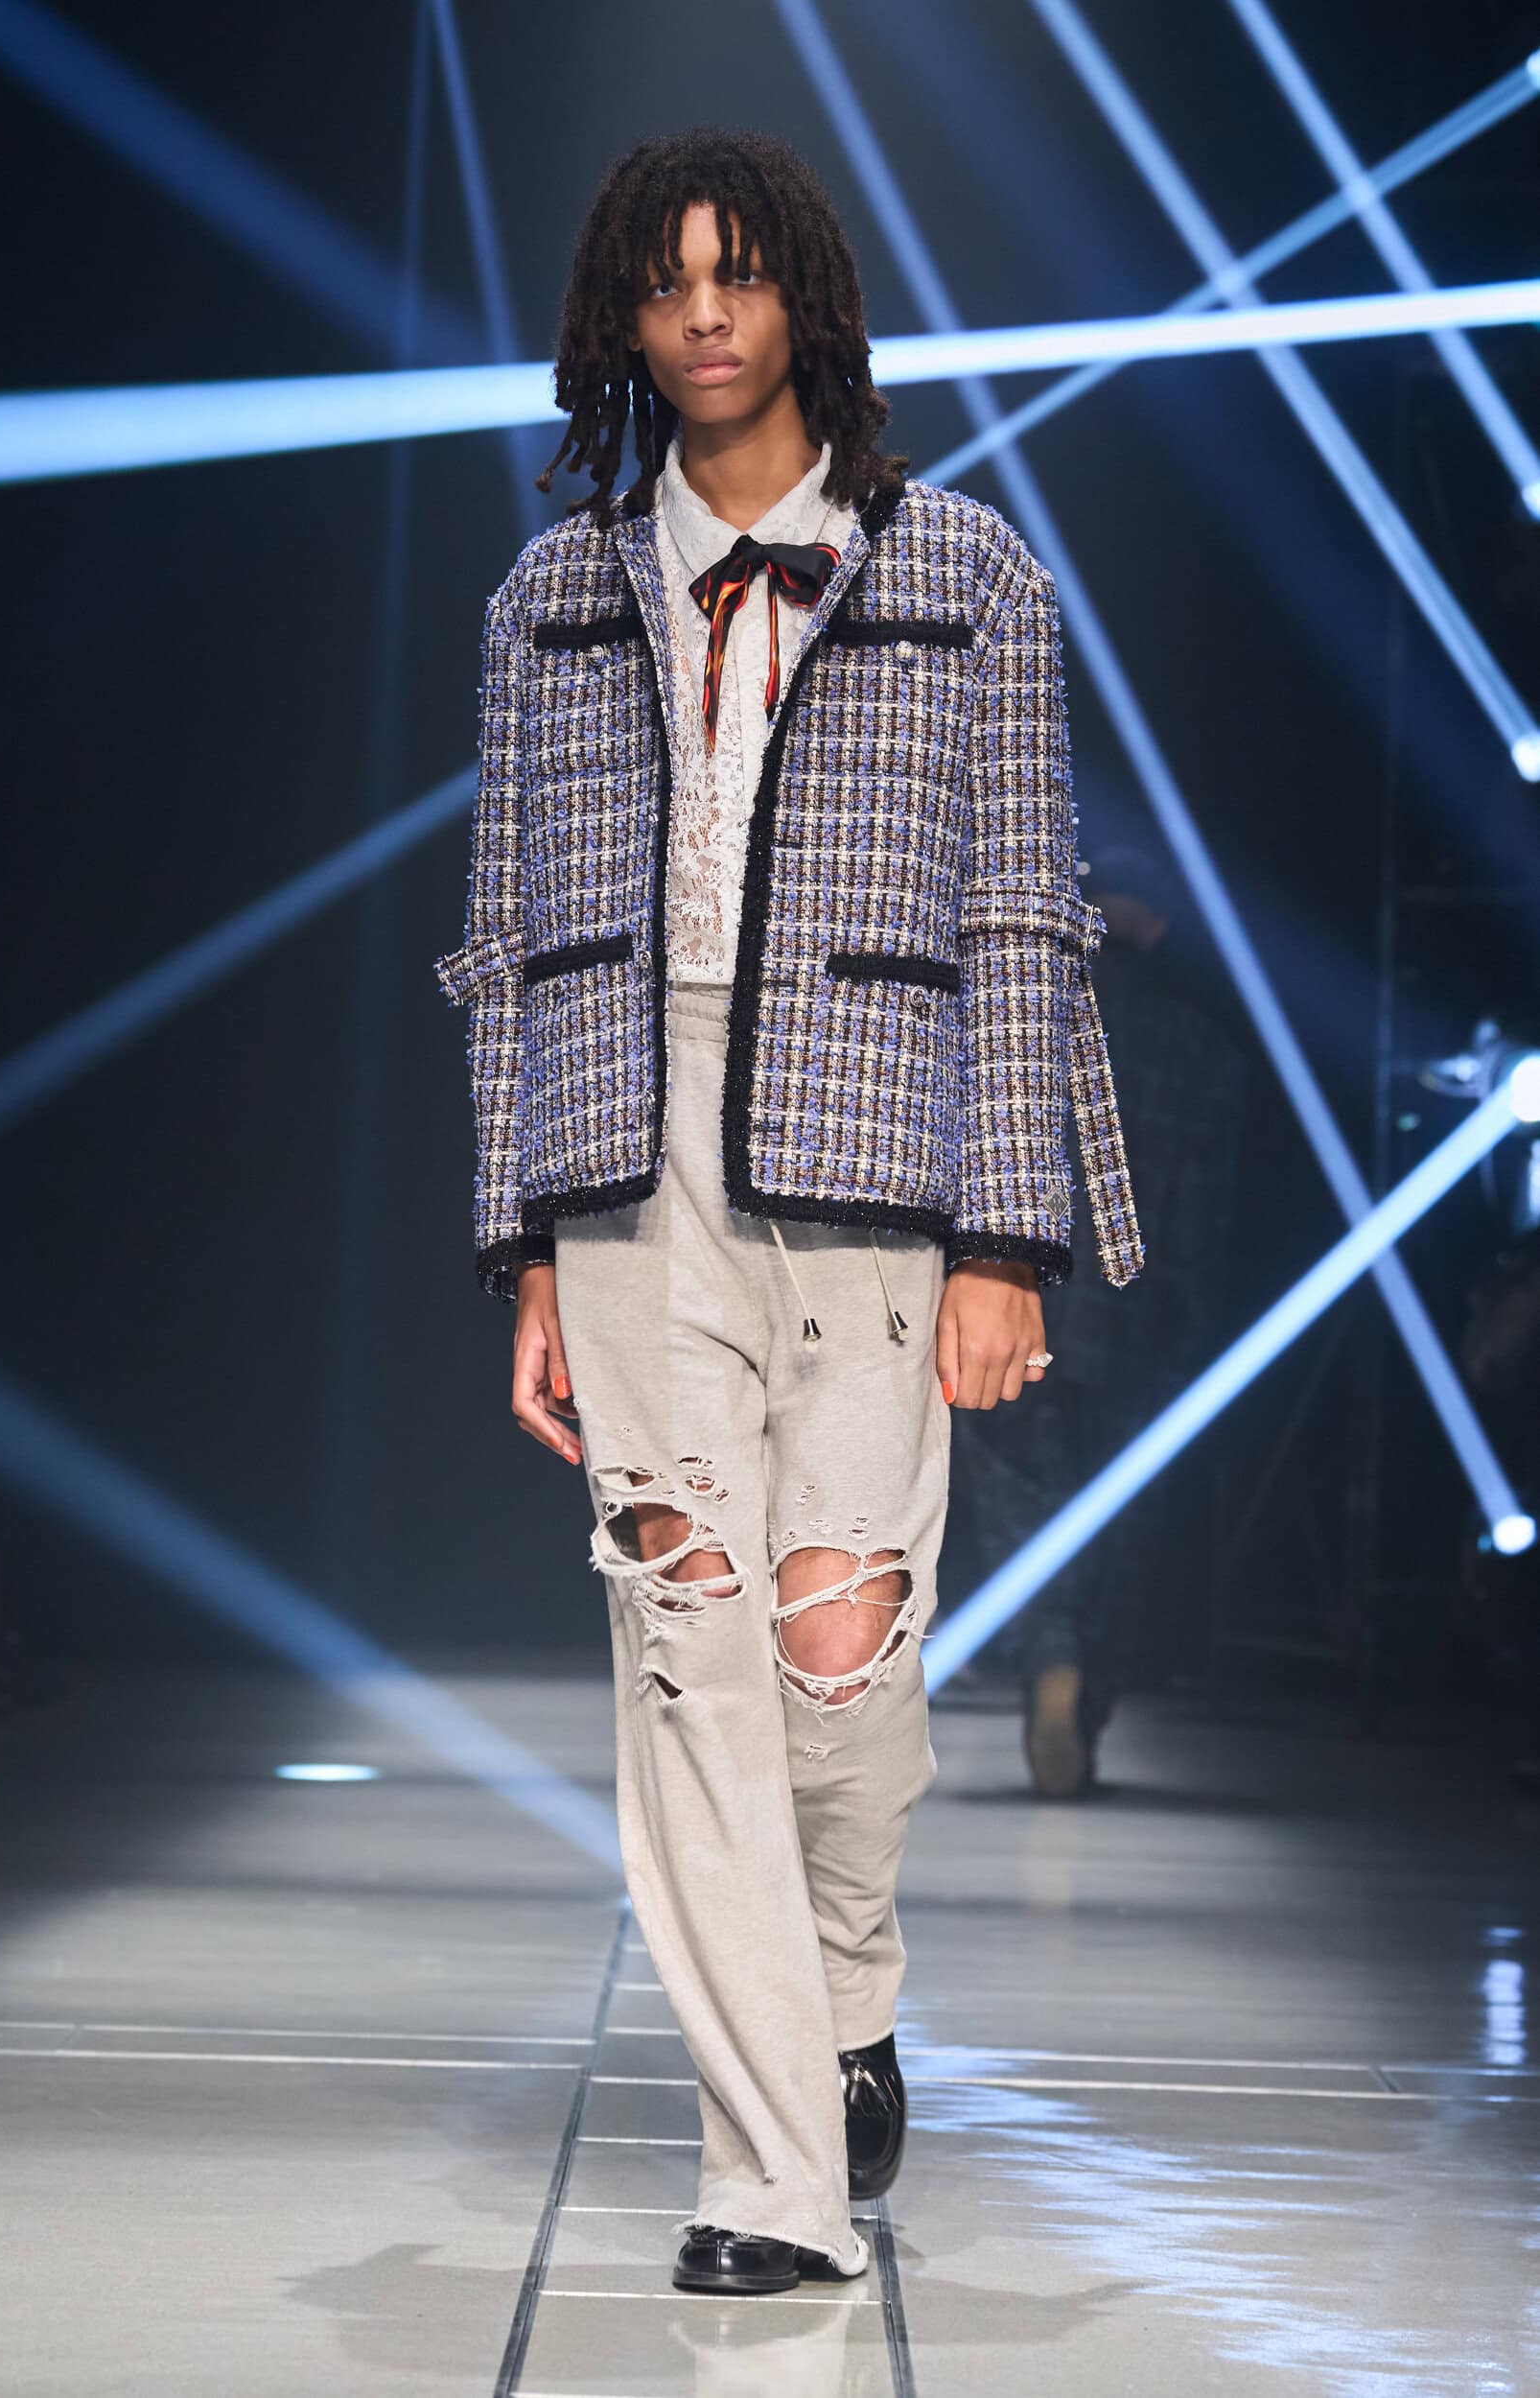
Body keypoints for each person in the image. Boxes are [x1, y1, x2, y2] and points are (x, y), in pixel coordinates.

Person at [434, 129, 1144, 2294]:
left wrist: (1004, 1238)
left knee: (837, 1644)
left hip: (877, 1152)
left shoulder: (969, 577)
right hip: (627, 1158)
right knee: (687, 1637)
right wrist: (524, 1244)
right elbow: (508, 936)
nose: (706, 316)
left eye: (738, 275)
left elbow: (1021, 918)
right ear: (621, 324)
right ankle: (770, 2176)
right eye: (667, 285)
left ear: (806, 300)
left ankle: (844, 1986)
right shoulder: (551, 598)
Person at [946, 842, 1247, 1796]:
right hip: (1139, 1318)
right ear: (1156, 922)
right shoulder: (1200, 1050)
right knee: (1121, 1513)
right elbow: (1205, 1211)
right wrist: (1185, 1317)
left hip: (1013, 1301)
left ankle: (1051, 1652)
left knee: (1015, 1498)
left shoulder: (1011, 1033)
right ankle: (1087, 1697)